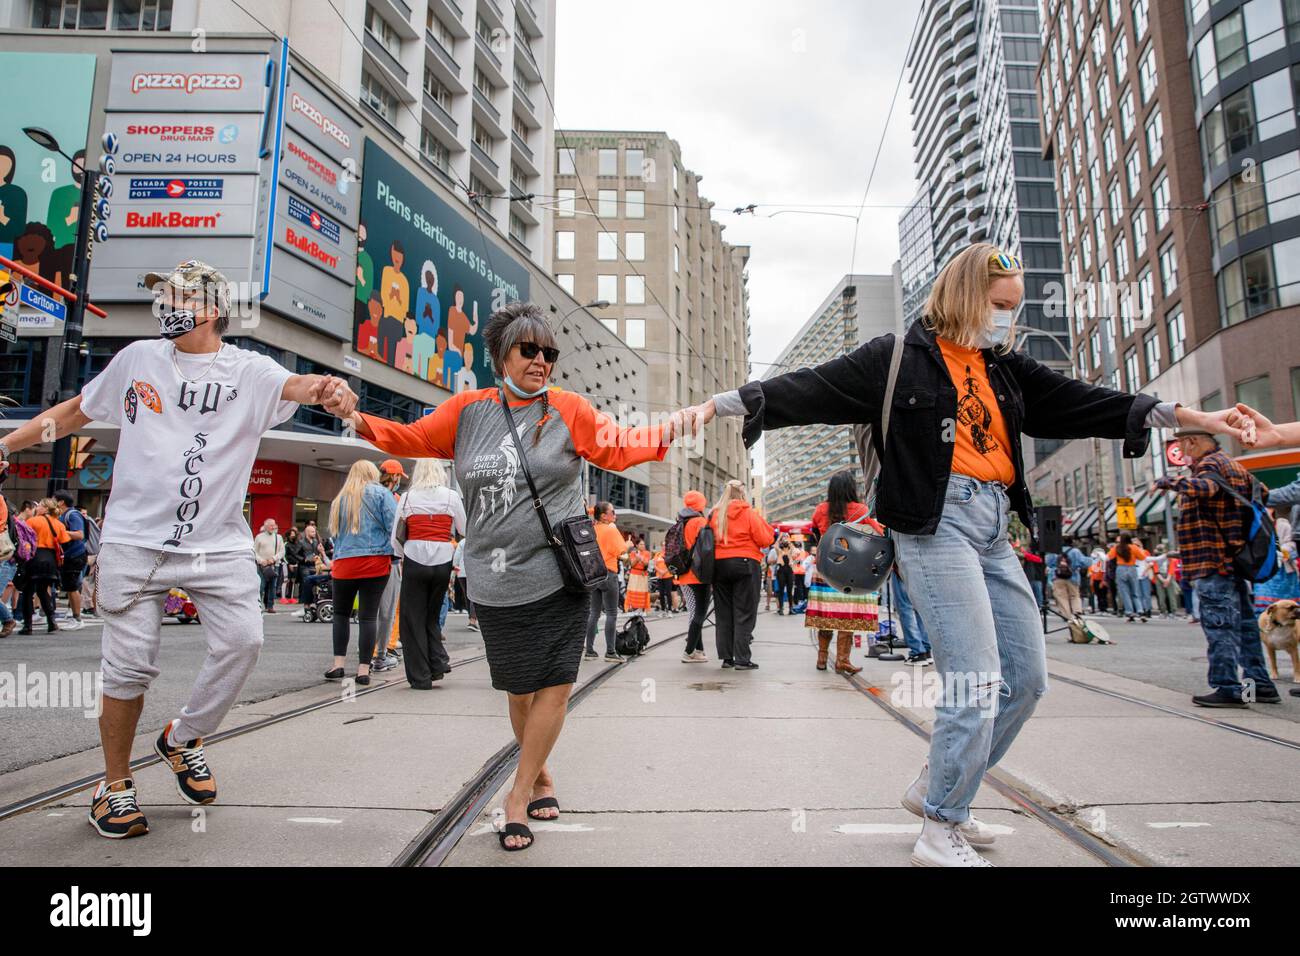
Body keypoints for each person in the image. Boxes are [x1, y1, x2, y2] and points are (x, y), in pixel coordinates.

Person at [678, 242, 1246, 865]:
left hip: (996, 527)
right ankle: (941, 826)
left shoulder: (1003, 367)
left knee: (1025, 680)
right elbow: (811, 387)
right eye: (999, 305)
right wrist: (715, 405)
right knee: (974, 678)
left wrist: (1197, 417)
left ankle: (939, 787)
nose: (1007, 318)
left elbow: (1088, 399)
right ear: (966, 295)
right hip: (934, 524)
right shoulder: (898, 357)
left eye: (1014, 308)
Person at [320, 301, 685, 851]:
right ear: (502, 356)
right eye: (530, 350)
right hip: (495, 580)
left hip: (560, 574)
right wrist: (354, 415)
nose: (542, 361)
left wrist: (682, 422)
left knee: (557, 686)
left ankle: (517, 796)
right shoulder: (467, 412)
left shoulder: (569, 408)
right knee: (519, 691)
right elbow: (406, 438)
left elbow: (620, 447)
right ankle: (540, 775)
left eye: (550, 353)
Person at [0, 258, 342, 839]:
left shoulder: (248, 370)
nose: (167, 304)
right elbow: (74, 413)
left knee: (243, 642)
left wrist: (327, 389)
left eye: (180, 294)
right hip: (135, 541)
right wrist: (8, 443)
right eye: (163, 295)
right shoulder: (137, 359)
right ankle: (114, 787)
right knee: (128, 668)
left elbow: (297, 386)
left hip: (217, 545)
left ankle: (182, 738)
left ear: (213, 309)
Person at [1153, 425, 1279, 708]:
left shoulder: (1209, 466)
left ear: (1194, 442)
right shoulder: (1234, 465)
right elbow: (1264, 492)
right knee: (1245, 626)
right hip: (1234, 562)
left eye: (1184, 446)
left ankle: (1228, 687)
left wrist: (1168, 483)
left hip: (1211, 561)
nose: (1183, 453)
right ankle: (1258, 685)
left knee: (1220, 626)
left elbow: (1205, 488)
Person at [392, 458, 466, 689]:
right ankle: (437, 663)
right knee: (432, 616)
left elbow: (396, 536)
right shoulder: (451, 496)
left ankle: (421, 675)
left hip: (415, 559)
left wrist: (401, 555)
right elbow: (464, 529)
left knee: (412, 618)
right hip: (442, 560)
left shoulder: (407, 497)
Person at [323, 461, 397, 687]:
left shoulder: (340, 499)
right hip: (375, 562)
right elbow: (393, 526)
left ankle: (338, 664)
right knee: (368, 616)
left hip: (344, 563)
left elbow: (334, 533)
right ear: (372, 474)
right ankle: (364, 669)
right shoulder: (382, 494)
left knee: (341, 615)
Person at [806, 470, 882, 674]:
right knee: (847, 615)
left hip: (825, 570)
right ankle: (842, 660)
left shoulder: (821, 509)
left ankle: (822, 658)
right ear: (850, 489)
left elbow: (813, 531)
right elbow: (879, 533)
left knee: (826, 615)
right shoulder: (860, 510)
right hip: (851, 572)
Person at [707, 479, 774, 670]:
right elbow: (764, 539)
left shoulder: (715, 514)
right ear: (743, 495)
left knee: (724, 613)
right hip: (745, 564)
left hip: (719, 565)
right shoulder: (748, 513)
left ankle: (727, 658)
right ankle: (742, 659)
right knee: (744, 612)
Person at [373, 459, 407, 672]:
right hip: (389, 557)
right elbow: (397, 531)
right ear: (394, 477)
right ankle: (382, 651)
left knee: (370, 609)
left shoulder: (365, 494)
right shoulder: (392, 498)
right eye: (398, 477)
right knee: (388, 608)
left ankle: (370, 649)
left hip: (366, 557)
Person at [587, 501, 629, 661]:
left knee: (594, 613)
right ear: (604, 515)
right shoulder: (611, 530)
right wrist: (629, 546)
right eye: (613, 512)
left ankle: (589, 651)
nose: (615, 515)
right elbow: (623, 554)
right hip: (608, 573)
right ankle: (610, 652)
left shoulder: (591, 530)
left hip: (593, 575)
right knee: (611, 613)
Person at [20, 498, 68, 634]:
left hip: (35, 556)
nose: (38, 507)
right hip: (51, 559)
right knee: (43, 591)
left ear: (46, 508)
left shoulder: (33, 521)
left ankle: (28, 625)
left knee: (28, 591)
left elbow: (26, 538)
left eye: (40, 505)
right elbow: (64, 540)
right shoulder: (58, 524)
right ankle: (52, 622)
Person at [674, 490, 711, 662]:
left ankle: (698, 650)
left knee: (694, 612)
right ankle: (688, 652)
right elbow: (707, 550)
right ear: (700, 505)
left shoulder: (681, 522)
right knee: (699, 613)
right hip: (698, 575)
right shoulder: (700, 522)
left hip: (683, 575)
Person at [52, 491, 88, 629]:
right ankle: (74, 617)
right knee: (69, 586)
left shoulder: (72, 515)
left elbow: (80, 534)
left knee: (73, 587)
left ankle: (77, 618)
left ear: (61, 502)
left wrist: (59, 532)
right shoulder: (63, 515)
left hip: (74, 555)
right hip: (68, 555)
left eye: (54, 499)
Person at [891, 571, 932, 666]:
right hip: (921, 568)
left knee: (905, 609)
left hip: (902, 568)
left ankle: (918, 652)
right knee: (921, 608)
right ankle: (926, 650)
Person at [1107, 533, 1148, 623]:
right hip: (1132, 568)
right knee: (1135, 592)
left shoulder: (1117, 547)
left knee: (1124, 592)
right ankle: (1140, 611)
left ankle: (1130, 613)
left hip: (1120, 569)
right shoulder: (1134, 547)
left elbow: (1109, 557)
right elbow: (1142, 557)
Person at [1050, 535, 1089, 619]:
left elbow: (1049, 562)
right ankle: (1077, 611)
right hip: (1073, 576)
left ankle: (1067, 615)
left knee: (1061, 596)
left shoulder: (1055, 551)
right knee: (1074, 595)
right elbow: (1083, 562)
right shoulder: (1075, 551)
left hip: (1058, 577)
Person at [253, 519, 284, 614]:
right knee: (261, 586)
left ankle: (270, 606)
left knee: (272, 586)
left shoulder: (278, 537)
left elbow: (282, 551)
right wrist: (261, 561)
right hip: (261, 566)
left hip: (274, 565)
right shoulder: (259, 537)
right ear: (265, 526)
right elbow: (254, 551)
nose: (273, 527)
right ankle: (258, 605)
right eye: (270, 525)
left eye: (273, 525)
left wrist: (273, 559)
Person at [624, 538, 653, 612]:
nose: (643, 546)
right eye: (641, 544)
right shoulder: (633, 553)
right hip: (634, 574)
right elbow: (632, 564)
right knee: (633, 590)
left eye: (643, 544)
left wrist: (641, 559)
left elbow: (646, 563)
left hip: (643, 574)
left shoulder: (647, 553)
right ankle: (632, 606)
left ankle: (641, 607)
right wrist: (637, 559)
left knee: (642, 591)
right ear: (637, 545)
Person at [283, 527, 307, 603]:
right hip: (287, 564)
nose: (293, 536)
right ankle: (283, 597)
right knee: (286, 580)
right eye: (291, 534)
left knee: (293, 581)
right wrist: (288, 563)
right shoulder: (286, 544)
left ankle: (291, 597)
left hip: (295, 564)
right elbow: (284, 555)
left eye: (294, 534)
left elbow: (298, 554)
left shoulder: (297, 544)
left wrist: (297, 562)